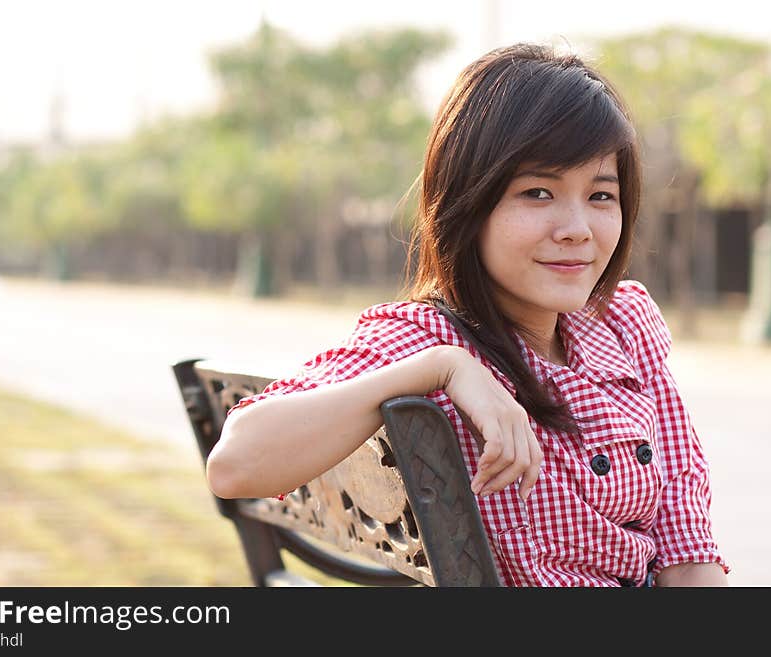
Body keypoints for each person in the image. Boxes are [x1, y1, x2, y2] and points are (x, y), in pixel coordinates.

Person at [206, 43, 730, 587]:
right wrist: (441, 368)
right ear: (467, 203)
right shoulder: (425, 338)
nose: (577, 228)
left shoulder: (622, 322)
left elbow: (685, 535)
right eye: (538, 192)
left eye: (601, 196)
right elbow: (236, 464)